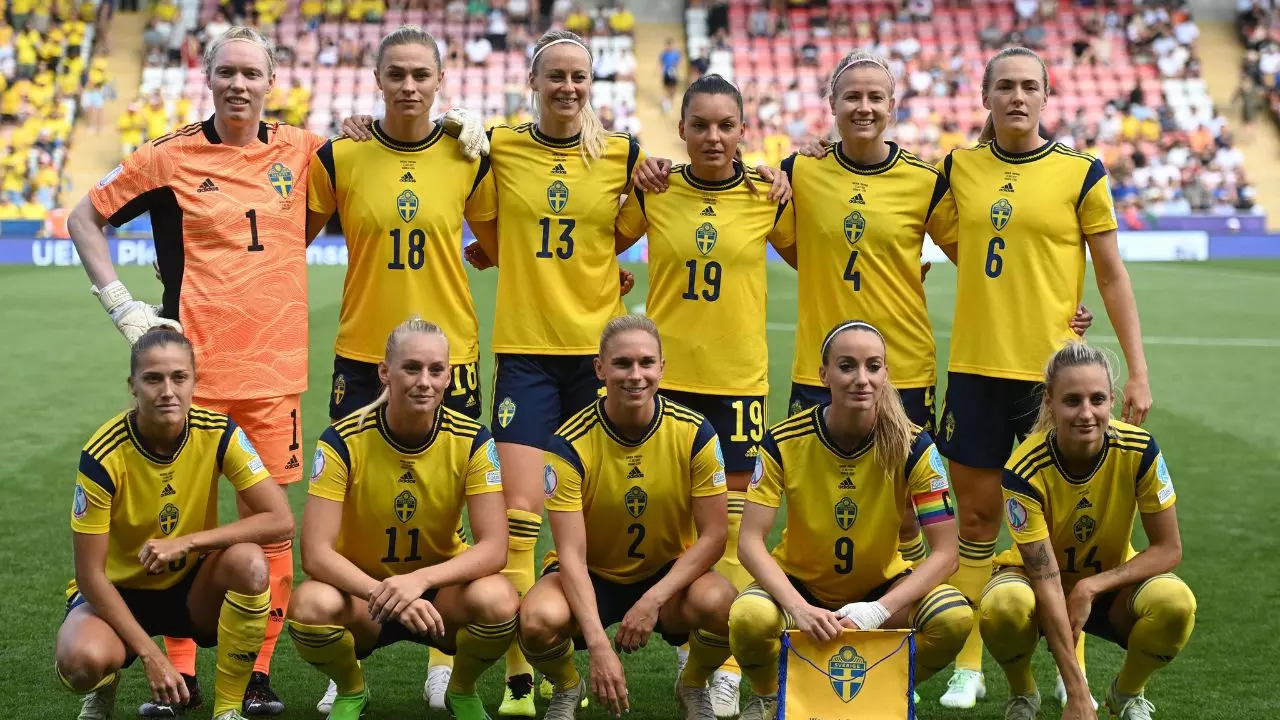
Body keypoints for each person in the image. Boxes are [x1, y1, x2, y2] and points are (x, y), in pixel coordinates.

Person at [68, 25, 487, 717]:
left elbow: (378, 144)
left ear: (272, 81)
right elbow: (85, 218)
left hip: (274, 372)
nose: (239, 84)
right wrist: (123, 306)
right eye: (227, 71)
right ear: (209, 77)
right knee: (182, 518)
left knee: (271, 529)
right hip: (191, 376)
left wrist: (457, 126)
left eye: (251, 73)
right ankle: (178, 674)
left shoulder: (304, 149)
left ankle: (255, 673)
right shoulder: (168, 155)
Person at [932, 47, 1152, 710]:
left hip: (1050, 380)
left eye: (1030, 86)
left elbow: (1111, 274)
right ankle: (968, 664)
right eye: (1005, 86)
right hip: (974, 369)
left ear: (1047, 95)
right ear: (986, 95)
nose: (1018, 97)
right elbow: (953, 239)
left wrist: (1137, 370)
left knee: (1057, 537)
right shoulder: (958, 167)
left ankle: (1070, 663)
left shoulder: (1079, 171)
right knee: (976, 519)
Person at [305, 24, 498, 713]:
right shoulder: (343, 155)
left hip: (454, 360)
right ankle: (347, 659)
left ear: (441, 81)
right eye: (397, 74)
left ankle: (447, 657)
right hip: (363, 356)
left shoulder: (468, 154)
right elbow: (283, 238)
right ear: (377, 80)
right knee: (357, 507)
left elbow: (505, 242)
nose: (410, 86)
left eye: (422, 74)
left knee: (458, 503)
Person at [613, 73, 794, 720]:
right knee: (677, 529)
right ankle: (678, 641)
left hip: (740, 386)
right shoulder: (657, 191)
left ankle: (712, 674)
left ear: (742, 129)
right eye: (701, 125)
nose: (713, 137)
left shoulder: (768, 195)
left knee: (741, 535)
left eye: (726, 124)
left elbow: (822, 257)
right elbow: (592, 243)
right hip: (668, 385)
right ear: (682, 131)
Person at [728, 321, 972, 720]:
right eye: (847, 366)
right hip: (800, 589)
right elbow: (750, 542)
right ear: (823, 374)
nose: (862, 379)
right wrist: (798, 607)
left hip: (882, 592)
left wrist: (877, 609)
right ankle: (773, 694)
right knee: (749, 618)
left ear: (886, 374)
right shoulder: (784, 441)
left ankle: (882, 687)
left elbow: (946, 554)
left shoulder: (914, 445)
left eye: (873, 366)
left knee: (953, 616)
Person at [54, 328, 294, 720]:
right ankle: (104, 688)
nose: (168, 390)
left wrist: (189, 543)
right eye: (153, 379)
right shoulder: (103, 454)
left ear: (195, 381)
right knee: (81, 663)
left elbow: (281, 521)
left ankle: (228, 708)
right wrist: (152, 656)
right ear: (133, 386)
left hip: (189, 590)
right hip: (118, 593)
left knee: (250, 562)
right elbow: (89, 575)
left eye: (179, 377)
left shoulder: (219, 433)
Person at [286, 317, 519, 720]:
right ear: (385, 372)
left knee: (499, 600)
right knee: (309, 606)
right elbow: (315, 554)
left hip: (438, 598)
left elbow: (495, 547)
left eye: (436, 370)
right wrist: (386, 593)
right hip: (365, 598)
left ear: (449, 376)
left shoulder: (473, 440)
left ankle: (461, 689)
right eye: (411, 368)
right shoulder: (342, 440)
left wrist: (419, 581)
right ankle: (351, 689)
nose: (424, 381)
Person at [516, 314, 736, 720]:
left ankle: (693, 682)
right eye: (622, 364)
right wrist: (599, 646)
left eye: (646, 363)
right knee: (536, 619)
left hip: (666, 577)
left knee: (724, 605)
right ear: (600, 369)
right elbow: (570, 554)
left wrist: (653, 600)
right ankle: (567, 685)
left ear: (662, 368)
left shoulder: (695, 432)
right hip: (592, 576)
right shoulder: (568, 444)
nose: (636, 375)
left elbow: (714, 536)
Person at [980, 343, 1195, 720]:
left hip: (1108, 586)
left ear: (1112, 399)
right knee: (1004, 607)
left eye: (1097, 399)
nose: (1086, 413)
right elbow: (1046, 580)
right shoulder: (1023, 469)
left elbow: (1168, 549)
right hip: (1035, 586)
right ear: (1049, 401)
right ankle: (1022, 693)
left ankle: (1126, 693)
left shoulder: (1140, 450)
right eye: (1072, 400)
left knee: (1176, 603)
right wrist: (1078, 693)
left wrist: (1091, 587)